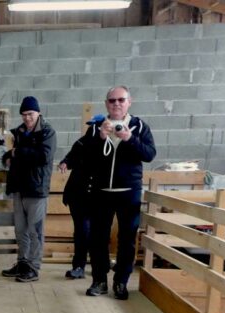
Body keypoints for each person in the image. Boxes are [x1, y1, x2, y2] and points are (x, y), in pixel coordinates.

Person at [79, 86, 156, 300]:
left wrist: (130, 138)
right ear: (106, 104)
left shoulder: (139, 126)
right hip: (101, 192)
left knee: (127, 239)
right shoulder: (96, 127)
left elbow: (150, 154)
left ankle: (121, 282)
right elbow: (84, 157)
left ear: (129, 102)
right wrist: (100, 138)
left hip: (128, 192)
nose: (116, 104)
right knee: (98, 238)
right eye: (112, 101)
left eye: (121, 100)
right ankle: (99, 280)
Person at [1, 96, 56, 283]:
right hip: (20, 188)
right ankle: (22, 262)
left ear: (38, 112)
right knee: (21, 229)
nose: (27, 118)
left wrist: (18, 153)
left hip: (36, 189)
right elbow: (12, 153)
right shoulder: (19, 132)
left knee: (35, 230)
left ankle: (34, 266)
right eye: (24, 115)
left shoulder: (47, 133)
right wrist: (8, 156)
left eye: (30, 114)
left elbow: (43, 156)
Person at [57, 115, 103, 280]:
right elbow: (71, 156)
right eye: (92, 126)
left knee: (97, 233)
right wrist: (65, 162)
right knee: (82, 231)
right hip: (78, 194)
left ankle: (99, 265)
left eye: (96, 126)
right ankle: (79, 266)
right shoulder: (82, 143)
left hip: (98, 196)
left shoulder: (108, 145)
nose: (93, 129)